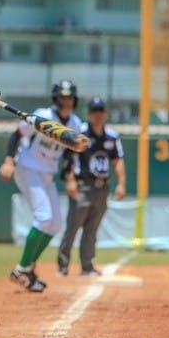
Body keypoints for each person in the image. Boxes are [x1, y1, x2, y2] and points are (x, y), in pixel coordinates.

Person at [0, 80, 83, 292]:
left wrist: (70, 177)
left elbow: (70, 154)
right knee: (44, 216)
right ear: (55, 98)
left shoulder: (75, 123)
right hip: (28, 167)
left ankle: (27, 269)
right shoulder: (43, 115)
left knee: (55, 223)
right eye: (63, 97)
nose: (67, 101)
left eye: (70, 97)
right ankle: (21, 268)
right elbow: (17, 134)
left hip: (47, 174)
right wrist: (9, 161)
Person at [57, 96, 126, 276]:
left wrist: (121, 184)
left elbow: (118, 161)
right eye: (94, 111)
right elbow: (68, 158)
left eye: (100, 111)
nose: (98, 115)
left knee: (91, 230)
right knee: (72, 227)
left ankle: (87, 267)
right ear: (88, 114)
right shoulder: (81, 133)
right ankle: (63, 266)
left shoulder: (111, 136)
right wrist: (70, 180)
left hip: (102, 188)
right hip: (82, 186)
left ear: (106, 113)